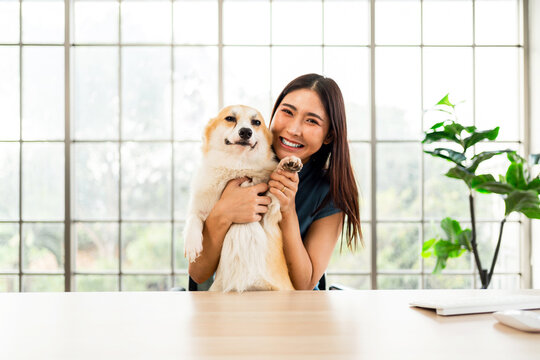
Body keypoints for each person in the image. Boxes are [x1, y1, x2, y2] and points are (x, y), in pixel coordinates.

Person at [188, 73, 362, 290]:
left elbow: (305, 285)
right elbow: (197, 273)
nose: (293, 129)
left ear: (329, 136)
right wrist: (224, 212)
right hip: (232, 299)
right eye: (287, 112)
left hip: (290, 308)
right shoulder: (236, 158)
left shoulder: (330, 192)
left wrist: (287, 210)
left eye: (311, 121)